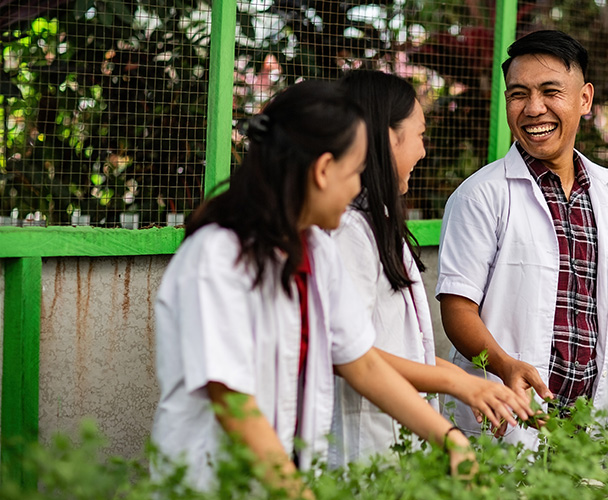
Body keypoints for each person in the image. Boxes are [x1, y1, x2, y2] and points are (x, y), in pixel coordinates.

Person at [151, 80, 475, 496]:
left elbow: (363, 362)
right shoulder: (217, 258)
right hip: (213, 482)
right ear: (323, 171)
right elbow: (232, 399)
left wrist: (448, 438)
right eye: (355, 172)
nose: (360, 188)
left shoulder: (316, 250)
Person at [436, 30, 608, 446]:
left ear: (584, 99)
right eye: (518, 94)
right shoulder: (481, 195)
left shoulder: (606, 194)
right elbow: (457, 309)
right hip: (507, 416)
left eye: (550, 91)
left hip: (584, 423)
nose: (533, 109)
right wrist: (503, 365)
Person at [330, 70, 533, 467]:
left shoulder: (378, 221)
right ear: (390, 138)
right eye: (420, 135)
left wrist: (478, 387)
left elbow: (402, 350)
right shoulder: (347, 230)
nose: (423, 152)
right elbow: (349, 354)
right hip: (359, 452)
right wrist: (456, 381)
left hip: (394, 446)